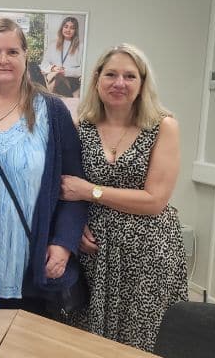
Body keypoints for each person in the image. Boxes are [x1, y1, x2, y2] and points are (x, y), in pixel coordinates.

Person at [61, 43, 188, 351]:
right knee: (88, 339)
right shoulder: (80, 127)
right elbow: (67, 189)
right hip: (95, 255)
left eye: (130, 76)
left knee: (141, 337)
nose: (120, 83)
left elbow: (155, 200)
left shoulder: (163, 127)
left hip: (148, 253)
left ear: (142, 83)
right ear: (97, 79)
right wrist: (75, 227)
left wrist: (91, 191)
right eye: (111, 74)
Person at [0, 18, 87, 316]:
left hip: (33, 267)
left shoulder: (52, 111)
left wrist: (63, 243)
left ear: (26, 56)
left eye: (12, 52)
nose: (3, 59)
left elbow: (73, 187)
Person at [40, 16, 83, 98]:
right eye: (66, 27)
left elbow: (83, 70)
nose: (68, 30)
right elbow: (43, 65)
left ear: (75, 31)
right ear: (62, 28)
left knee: (58, 78)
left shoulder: (81, 47)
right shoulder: (52, 45)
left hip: (71, 80)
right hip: (54, 77)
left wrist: (65, 71)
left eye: (72, 28)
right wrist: (53, 68)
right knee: (33, 67)